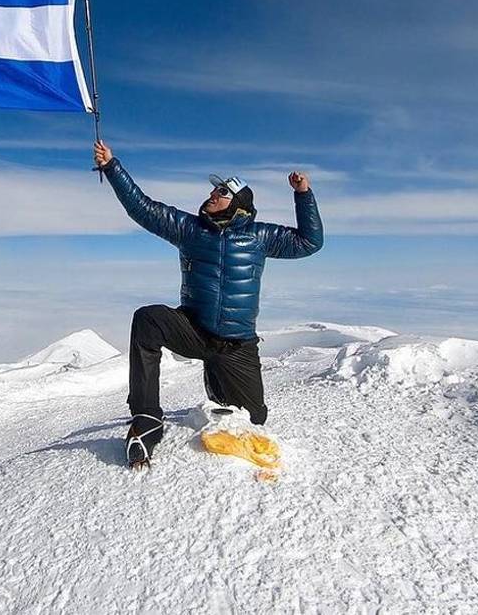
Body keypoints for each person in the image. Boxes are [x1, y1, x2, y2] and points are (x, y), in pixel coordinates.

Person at [92, 140, 324, 467]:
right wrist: (112, 167)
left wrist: (303, 194)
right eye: (213, 192)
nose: (212, 196)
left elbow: (310, 242)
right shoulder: (190, 229)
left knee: (254, 418)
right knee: (147, 320)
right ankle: (147, 420)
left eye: (221, 194)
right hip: (193, 330)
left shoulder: (260, 237)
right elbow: (142, 208)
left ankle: (217, 383)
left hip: (237, 346)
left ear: (239, 205)